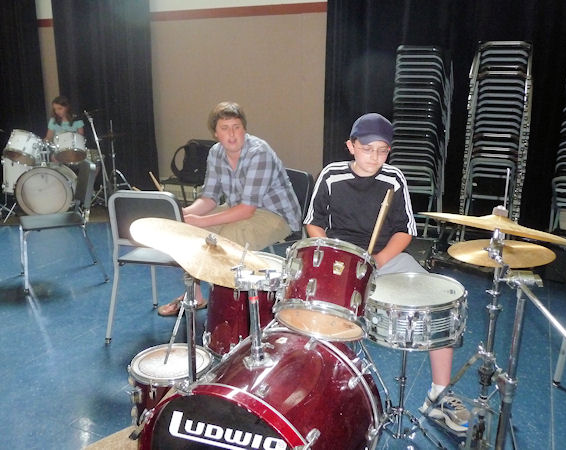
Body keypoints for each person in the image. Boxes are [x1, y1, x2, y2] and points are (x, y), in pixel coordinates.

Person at [304, 112, 470, 433]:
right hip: (341, 257)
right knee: (317, 311)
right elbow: (314, 223)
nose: (375, 157)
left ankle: (439, 395)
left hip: (385, 258)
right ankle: (320, 385)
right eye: (367, 149)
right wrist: (337, 255)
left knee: (438, 303)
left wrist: (378, 261)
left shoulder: (394, 178)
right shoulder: (331, 175)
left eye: (382, 151)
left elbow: (405, 231)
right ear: (351, 146)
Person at [158, 101, 301, 316]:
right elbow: (210, 198)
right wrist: (186, 213)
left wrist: (201, 221)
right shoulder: (215, 153)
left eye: (236, 127)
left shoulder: (259, 152)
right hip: (237, 208)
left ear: (245, 129)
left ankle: (227, 307)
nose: (232, 134)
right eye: (225, 128)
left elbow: (247, 210)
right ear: (216, 133)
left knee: (225, 241)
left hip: (274, 215)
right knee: (189, 233)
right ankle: (194, 295)